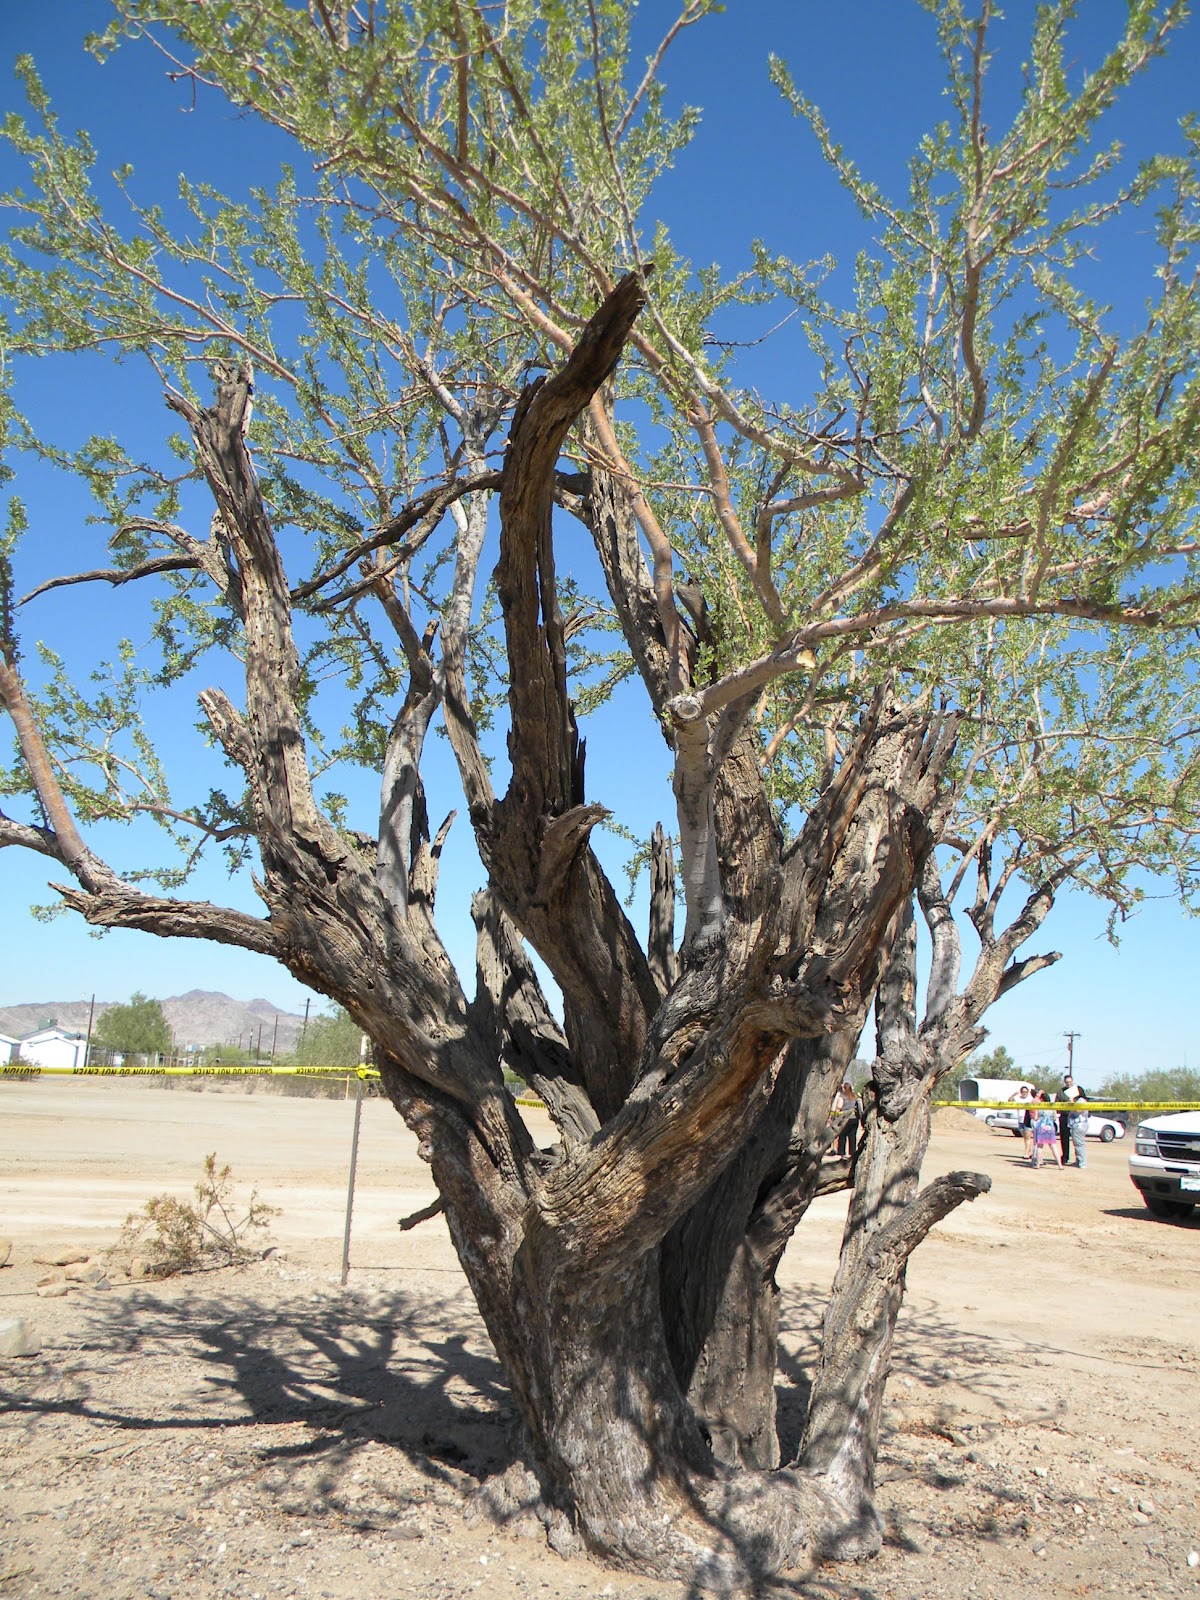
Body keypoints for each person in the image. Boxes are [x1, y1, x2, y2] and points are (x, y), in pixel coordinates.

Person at [1061, 1074, 1090, 1168]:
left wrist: (1072, 1104)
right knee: (1077, 1143)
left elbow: (1078, 1111)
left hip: (1080, 1125)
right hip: (1076, 1125)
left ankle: (1082, 1163)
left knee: (1079, 1144)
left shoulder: (1081, 1101)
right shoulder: (1078, 1101)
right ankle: (1078, 1161)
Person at [1031, 1092, 1062, 1169]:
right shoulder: (1052, 1107)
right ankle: (1060, 1165)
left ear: (1041, 1099)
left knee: (1040, 1146)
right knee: (1053, 1146)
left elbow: (1035, 1118)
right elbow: (1054, 1118)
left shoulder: (1039, 1107)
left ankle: (1038, 1164)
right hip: (1050, 1127)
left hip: (1041, 1127)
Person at [834, 1081, 860, 1158]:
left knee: (842, 1136)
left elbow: (839, 1107)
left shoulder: (842, 1097)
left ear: (844, 1089)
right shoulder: (855, 1096)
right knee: (852, 1136)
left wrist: (836, 1117)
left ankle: (841, 1152)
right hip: (854, 1119)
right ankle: (852, 1153)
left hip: (845, 1119)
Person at [1011, 1083, 1034, 1160]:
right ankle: (1030, 1152)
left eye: (1026, 1092)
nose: (1024, 1093)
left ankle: (1026, 1153)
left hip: (1027, 1119)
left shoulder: (1030, 1099)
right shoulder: (1018, 1099)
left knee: (1028, 1137)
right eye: (1023, 1092)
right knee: (1025, 1137)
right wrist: (1014, 1094)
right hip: (1020, 1119)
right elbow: (1010, 1100)